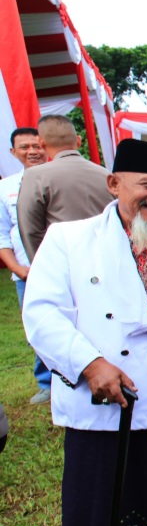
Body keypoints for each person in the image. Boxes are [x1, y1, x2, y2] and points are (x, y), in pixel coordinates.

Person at [22, 139, 147, 526]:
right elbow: (41, 313)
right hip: (104, 404)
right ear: (114, 184)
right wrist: (89, 363)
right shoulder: (69, 240)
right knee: (103, 504)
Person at [17, 115, 113, 262]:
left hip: (64, 260)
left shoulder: (35, 176)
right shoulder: (106, 175)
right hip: (106, 257)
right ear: (78, 141)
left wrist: (41, 264)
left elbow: (31, 230)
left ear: (41, 143)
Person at [0, 127, 51, 404]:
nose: (32, 151)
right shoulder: (5, 188)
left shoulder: (60, 178)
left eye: (37, 145)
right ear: (13, 152)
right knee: (37, 327)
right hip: (27, 274)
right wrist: (18, 269)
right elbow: (1, 236)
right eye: (24, 147)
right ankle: (47, 383)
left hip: (64, 269)